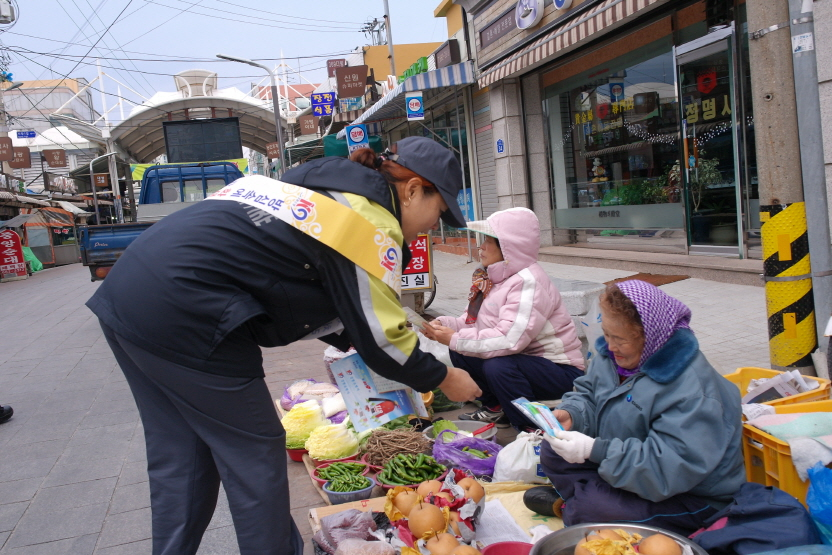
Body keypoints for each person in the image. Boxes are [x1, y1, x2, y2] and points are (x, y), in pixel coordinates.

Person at [85, 137, 482, 555]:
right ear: (413, 188)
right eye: (439, 212)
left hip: (132, 291)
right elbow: (382, 338)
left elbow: (299, 280)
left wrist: (355, 336)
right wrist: (445, 376)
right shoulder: (368, 219)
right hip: (190, 309)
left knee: (181, 456)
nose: (432, 227)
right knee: (254, 454)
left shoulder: (324, 186)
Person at [523, 280, 745, 536]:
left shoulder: (693, 391)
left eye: (620, 339)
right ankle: (586, 501)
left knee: (594, 509)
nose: (610, 346)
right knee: (553, 448)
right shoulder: (612, 357)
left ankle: (578, 504)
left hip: (689, 495)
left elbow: (667, 468)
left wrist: (596, 450)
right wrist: (573, 415)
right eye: (606, 334)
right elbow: (587, 393)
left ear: (650, 337)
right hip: (628, 465)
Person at [421, 208, 585, 430]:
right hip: (522, 362)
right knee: (460, 348)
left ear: (509, 246)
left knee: (497, 365)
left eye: (489, 240)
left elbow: (510, 340)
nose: (481, 246)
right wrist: (444, 327)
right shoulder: (491, 278)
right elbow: (472, 324)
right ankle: (496, 407)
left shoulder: (529, 281)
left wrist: (455, 338)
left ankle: (530, 428)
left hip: (559, 372)